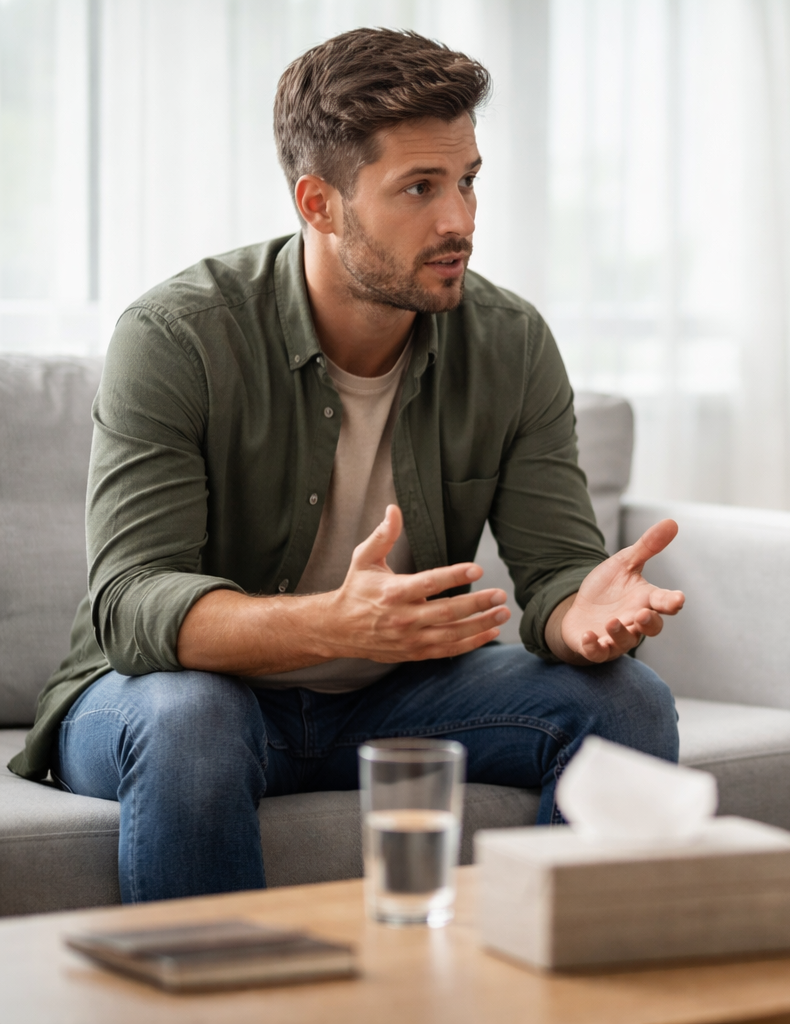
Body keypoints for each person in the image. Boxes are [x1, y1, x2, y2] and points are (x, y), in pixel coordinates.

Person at [6, 28, 686, 903]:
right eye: (420, 188)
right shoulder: (176, 337)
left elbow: (556, 575)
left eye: (469, 180)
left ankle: (544, 985)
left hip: (394, 699)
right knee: (194, 719)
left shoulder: (511, 343)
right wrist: (331, 624)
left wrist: (582, 614)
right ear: (319, 203)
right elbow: (131, 604)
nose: (461, 221)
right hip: (174, 699)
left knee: (627, 700)